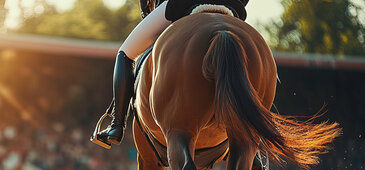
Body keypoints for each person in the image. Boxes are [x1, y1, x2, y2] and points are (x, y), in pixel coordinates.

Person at [91, 0, 249, 149]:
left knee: (125, 53)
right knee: (259, 58)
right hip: (231, 6)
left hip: (181, 5)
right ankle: (255, 142)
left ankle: (117, 126)